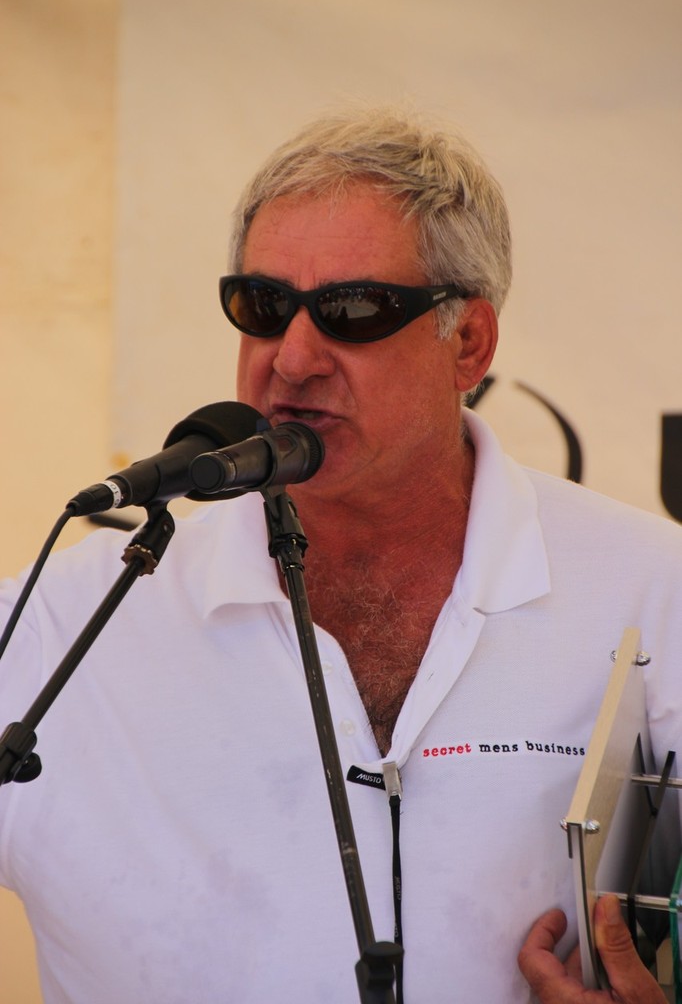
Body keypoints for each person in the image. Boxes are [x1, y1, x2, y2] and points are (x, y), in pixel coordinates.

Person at [0, 106, 680, 1004]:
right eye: (263, 305)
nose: (293, 357)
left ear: (468, 342)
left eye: (353, 312)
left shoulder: (654, 587)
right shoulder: (59, 623)